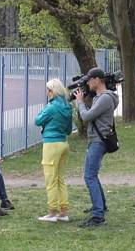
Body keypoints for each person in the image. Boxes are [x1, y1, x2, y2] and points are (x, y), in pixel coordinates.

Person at [73, 67, 119, 227]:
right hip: (97, 139)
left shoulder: (105, 98)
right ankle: (100, 206)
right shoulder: (100, 97)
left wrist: (80, 102)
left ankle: (98, 215)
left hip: (99, 141)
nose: (88, 83)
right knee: (92, 174)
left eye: (89, 80)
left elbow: (86, 116)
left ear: (97, 80)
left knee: (89, 176)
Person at [34, 78, 74, 222]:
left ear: (52, 91)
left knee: (50, 179)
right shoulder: (67, 106)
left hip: (51, 144)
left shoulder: (51, 107)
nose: (46, 92)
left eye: (48, 90)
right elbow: (69, 129)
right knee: (60, 179)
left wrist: (46, 108)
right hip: (63, 143)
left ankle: (52, 212)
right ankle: (63, 212)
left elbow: (37, 120)